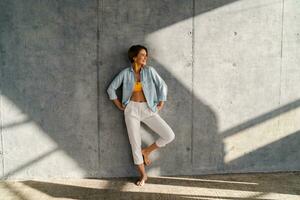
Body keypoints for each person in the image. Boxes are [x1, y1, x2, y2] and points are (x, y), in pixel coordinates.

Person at [106, 45, 175, 186]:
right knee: (134, 144)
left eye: (146, 55)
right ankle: (143, 176)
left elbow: (162, 86)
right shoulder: (125, 73)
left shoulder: (150, 71)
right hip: (131, 109)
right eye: (142, 55)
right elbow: (111, 88)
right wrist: (119, 104)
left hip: (148, 108)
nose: (145, 57)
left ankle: (146, 151)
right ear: (134, 57)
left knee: (169, 135)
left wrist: (161, 101)